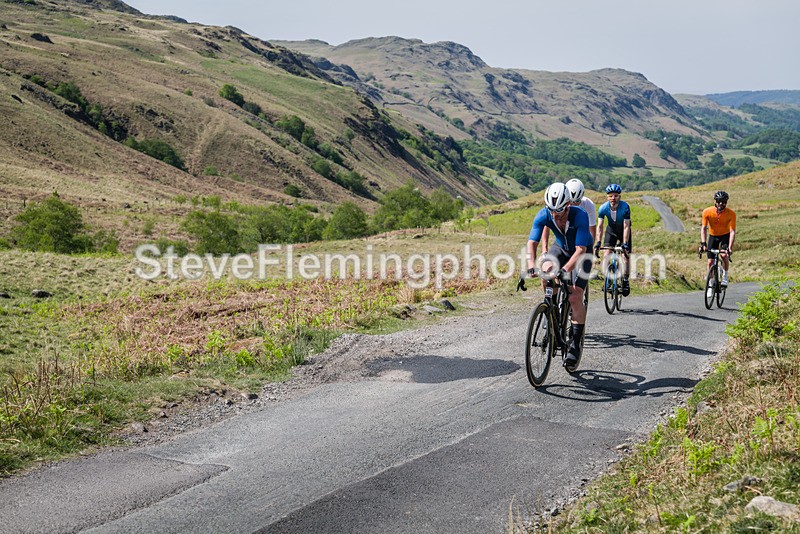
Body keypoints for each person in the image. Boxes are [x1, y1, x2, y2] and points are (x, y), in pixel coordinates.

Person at [526, 182, 593, 369]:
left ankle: (575, 344)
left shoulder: (580, 215)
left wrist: (565, 270)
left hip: (583, 253)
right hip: (561, 248)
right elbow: (532, 243)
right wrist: (532, 265)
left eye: (560, 211)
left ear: (568, 205)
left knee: (575, 295)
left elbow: (580, 249)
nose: (556, 215)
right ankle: (551, 308)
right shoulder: (544, 214)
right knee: (546, 270)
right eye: (552, 211)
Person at [541, 178, 597, 255]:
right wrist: (544, 250)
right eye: (570, 202)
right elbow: (546, 227)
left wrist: (590, 250)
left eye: (577, 201)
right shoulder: (559, 205)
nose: (573, 205)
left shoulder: (589, 205)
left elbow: (592, 229)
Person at [595, 183, 632, 296]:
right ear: (607, 197)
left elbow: (626, 226)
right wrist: (598, 242)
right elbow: (600, 226)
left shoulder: (625, 207)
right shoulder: (602, 208)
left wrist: (625, 243)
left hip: (623, 232)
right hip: (611, 231)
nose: (613, 198)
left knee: (625, 256)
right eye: (611, 196)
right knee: (606, 255)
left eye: (616, 196)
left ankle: (625, 280)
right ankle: (609, 278)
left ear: (619, 197)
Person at [700, 190, 736, 293]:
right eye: (719, 201)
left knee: (724, 255)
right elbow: (704, 228)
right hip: (713, 236)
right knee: (710, 262)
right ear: (715, 201)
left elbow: (732, 231)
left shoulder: (731, 214)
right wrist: (703, 243)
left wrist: (730, 247)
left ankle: (725, 277)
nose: (721, 204)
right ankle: (710, 284)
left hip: (725, 236)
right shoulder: (707, 212)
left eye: (724, 201)